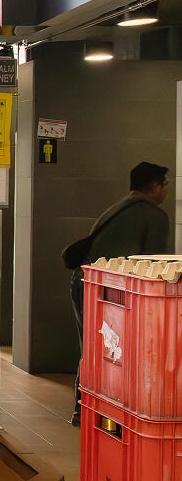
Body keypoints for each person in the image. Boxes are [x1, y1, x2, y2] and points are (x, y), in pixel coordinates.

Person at [69, 161, 171, 423]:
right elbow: (156, 266)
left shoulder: (120, 206)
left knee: (92, 348)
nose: (167, 190)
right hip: (110, 291)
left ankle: (84, 409)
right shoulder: (154, 216)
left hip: (85, 280)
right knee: (113, 352)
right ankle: (102, 412)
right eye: (165, 184)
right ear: (155, 186)